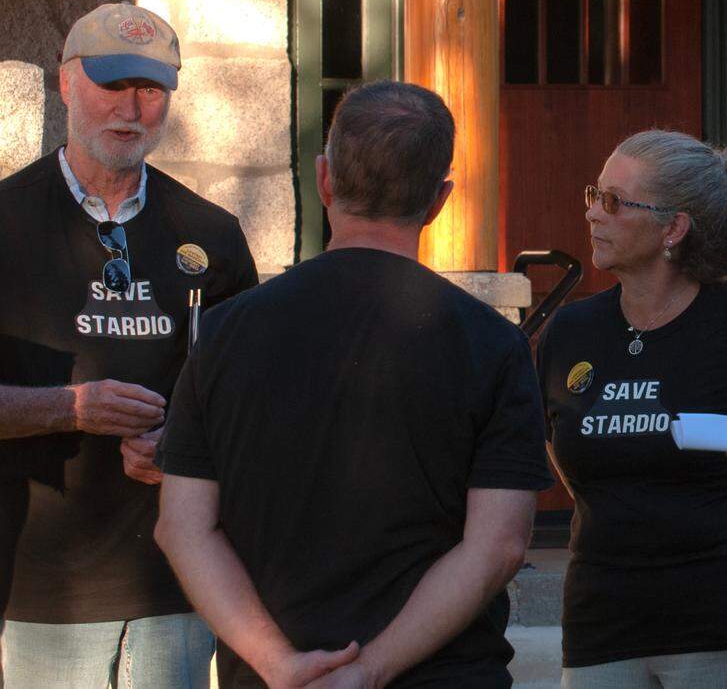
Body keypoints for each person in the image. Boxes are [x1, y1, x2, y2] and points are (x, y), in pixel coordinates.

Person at [154, 80, 553, 688]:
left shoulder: (224, 332)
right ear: (440, 199)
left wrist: (277, 663)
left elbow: (182, 528)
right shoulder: (491, 344)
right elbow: (497, 546)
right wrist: (368, 671)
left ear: (324, 180)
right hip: (441, 675)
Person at [0, 3, 259, 687]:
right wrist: (68, 407)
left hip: (175, 580)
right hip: (38, 591)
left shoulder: (213, 233)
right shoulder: (6, 223)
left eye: (150, 89)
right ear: (65, 84)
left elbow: (253, 405)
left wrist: (184, 441)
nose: (132, 108)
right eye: (112, 85)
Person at [536, 129, 727, 688]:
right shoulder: (571, 333)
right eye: (592, 195)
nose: (592, 215)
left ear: (673, 228)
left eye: (614, 201)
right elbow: (568, 457)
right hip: (603, 630)